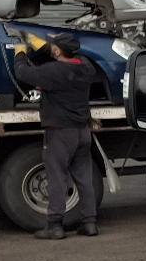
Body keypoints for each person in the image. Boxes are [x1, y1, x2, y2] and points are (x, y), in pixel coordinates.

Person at [12, 34, 101, 240]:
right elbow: (57, 54)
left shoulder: (53, 71)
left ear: (58, 51)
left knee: (57, 178)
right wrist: (35, 42)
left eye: (54, 47)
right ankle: (89, 223)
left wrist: (20, 51)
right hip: (82, 132)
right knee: (84, 177)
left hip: (60, 133)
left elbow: (23, 73)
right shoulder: (86, 66)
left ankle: (55, 226)